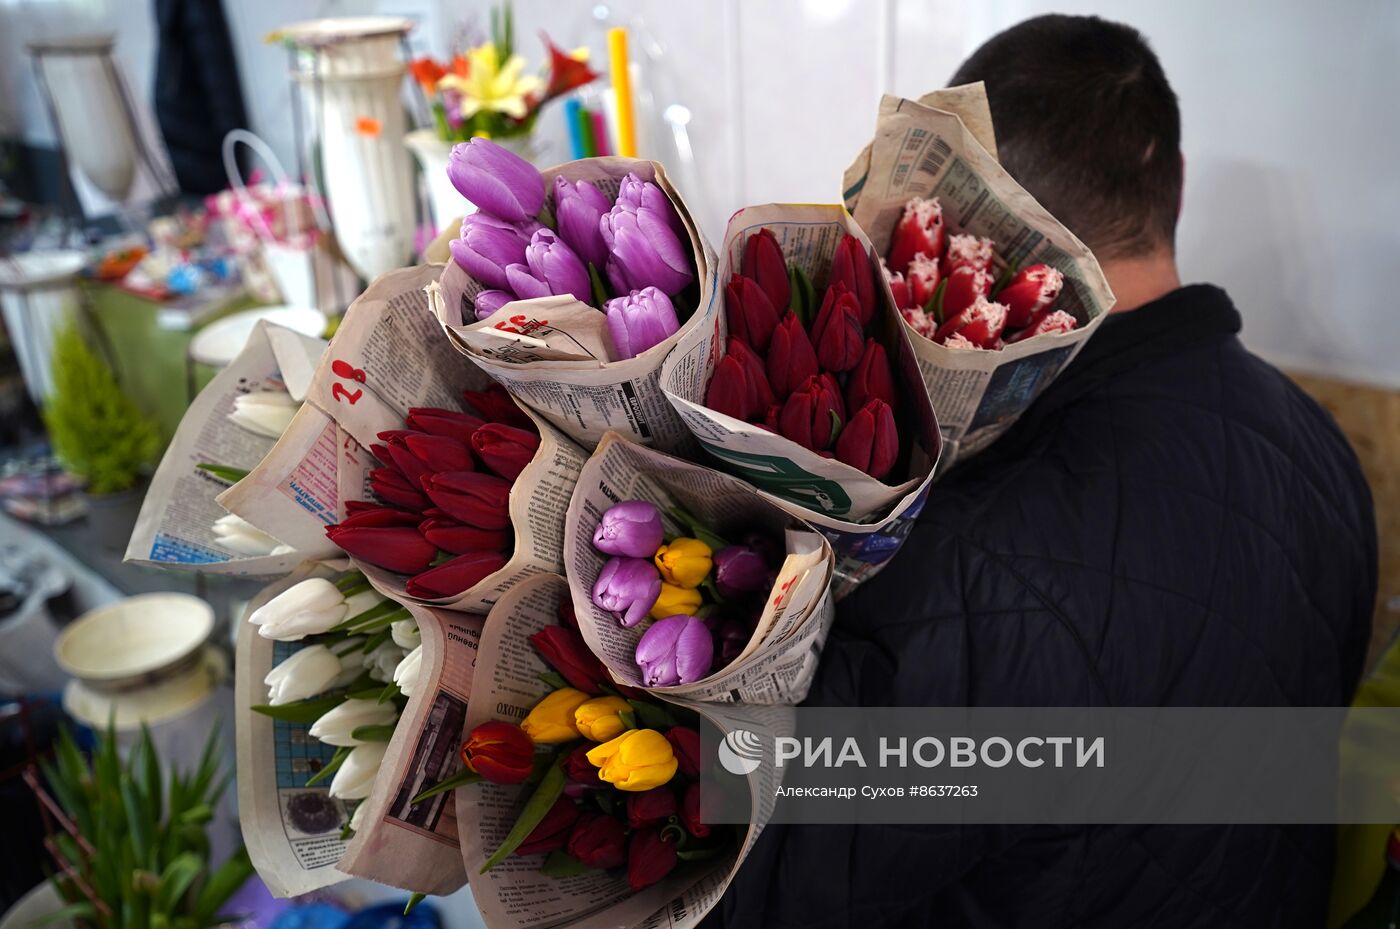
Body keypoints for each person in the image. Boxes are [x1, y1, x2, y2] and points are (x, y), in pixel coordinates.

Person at [706, 14, 1378, 928]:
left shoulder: (978, 550)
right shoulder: (1319, 445)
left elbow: (765, 881)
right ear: (1173, 186)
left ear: (978, 221)